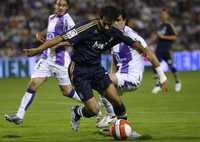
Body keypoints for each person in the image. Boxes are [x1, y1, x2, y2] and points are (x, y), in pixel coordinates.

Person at [23, 6, 168, 136]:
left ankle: (126, 129)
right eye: (104, 23)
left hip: (96, 70)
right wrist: (38, 49)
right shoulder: (86, 27)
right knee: (94, 110)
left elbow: (131, 42)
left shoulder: (112, 30)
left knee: (117, 101)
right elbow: (60, 38)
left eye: (109, 25)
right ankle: (77, 112)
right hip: (79, 71)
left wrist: (143, 50)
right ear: (100, 18)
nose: (106, 27)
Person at [5, 0, 81, 125]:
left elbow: (74, 40)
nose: (60, 7)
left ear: (67, 7)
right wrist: (40, 34)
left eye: (63, 5)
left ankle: (90, 103)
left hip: (60, 60)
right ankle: (19, 116)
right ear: (55, 5)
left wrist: (60, 44)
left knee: (67, 91)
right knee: (33, 84)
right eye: (58, 5)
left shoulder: (69, 21)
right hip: (46, 58)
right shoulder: (51, 17)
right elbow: (49, 31)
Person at [96, 10, 168, 129]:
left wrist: (162, 76)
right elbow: (114, 62)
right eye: (115, 21)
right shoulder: (113, 37)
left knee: (101, 80)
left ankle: (111, 116)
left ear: (125, 21)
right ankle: (118, 125)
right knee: (106, 90)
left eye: (119, 20)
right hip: (120, 76)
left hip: (132, 77)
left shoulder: (133, 36)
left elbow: (149, 54)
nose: (117, 23)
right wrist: (111, 78)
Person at [152, 8, 182, 94]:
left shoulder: (169, 25)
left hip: (167, 49)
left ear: (167, 15)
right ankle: (158, 84)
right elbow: (158, 37)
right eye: (161, 14)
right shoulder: (160, 26)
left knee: (171, 65)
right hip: (159, 49)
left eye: (164, 14)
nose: (162, 15)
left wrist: (163, 37)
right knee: (155, 66)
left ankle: (177, 81)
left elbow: (174, 37)